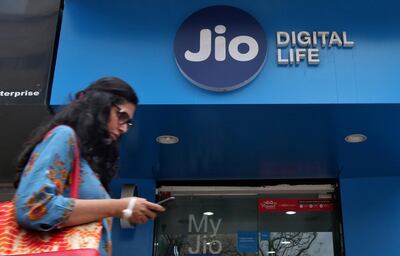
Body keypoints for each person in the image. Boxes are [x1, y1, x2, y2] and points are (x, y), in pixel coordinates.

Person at [14, 77, 164, 255]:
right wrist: (119, 207)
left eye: (128, 123)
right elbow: (33, 208)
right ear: (99, 104)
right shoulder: (64, 136)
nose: (124, 128)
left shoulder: (87, 162)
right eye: (121, 115)